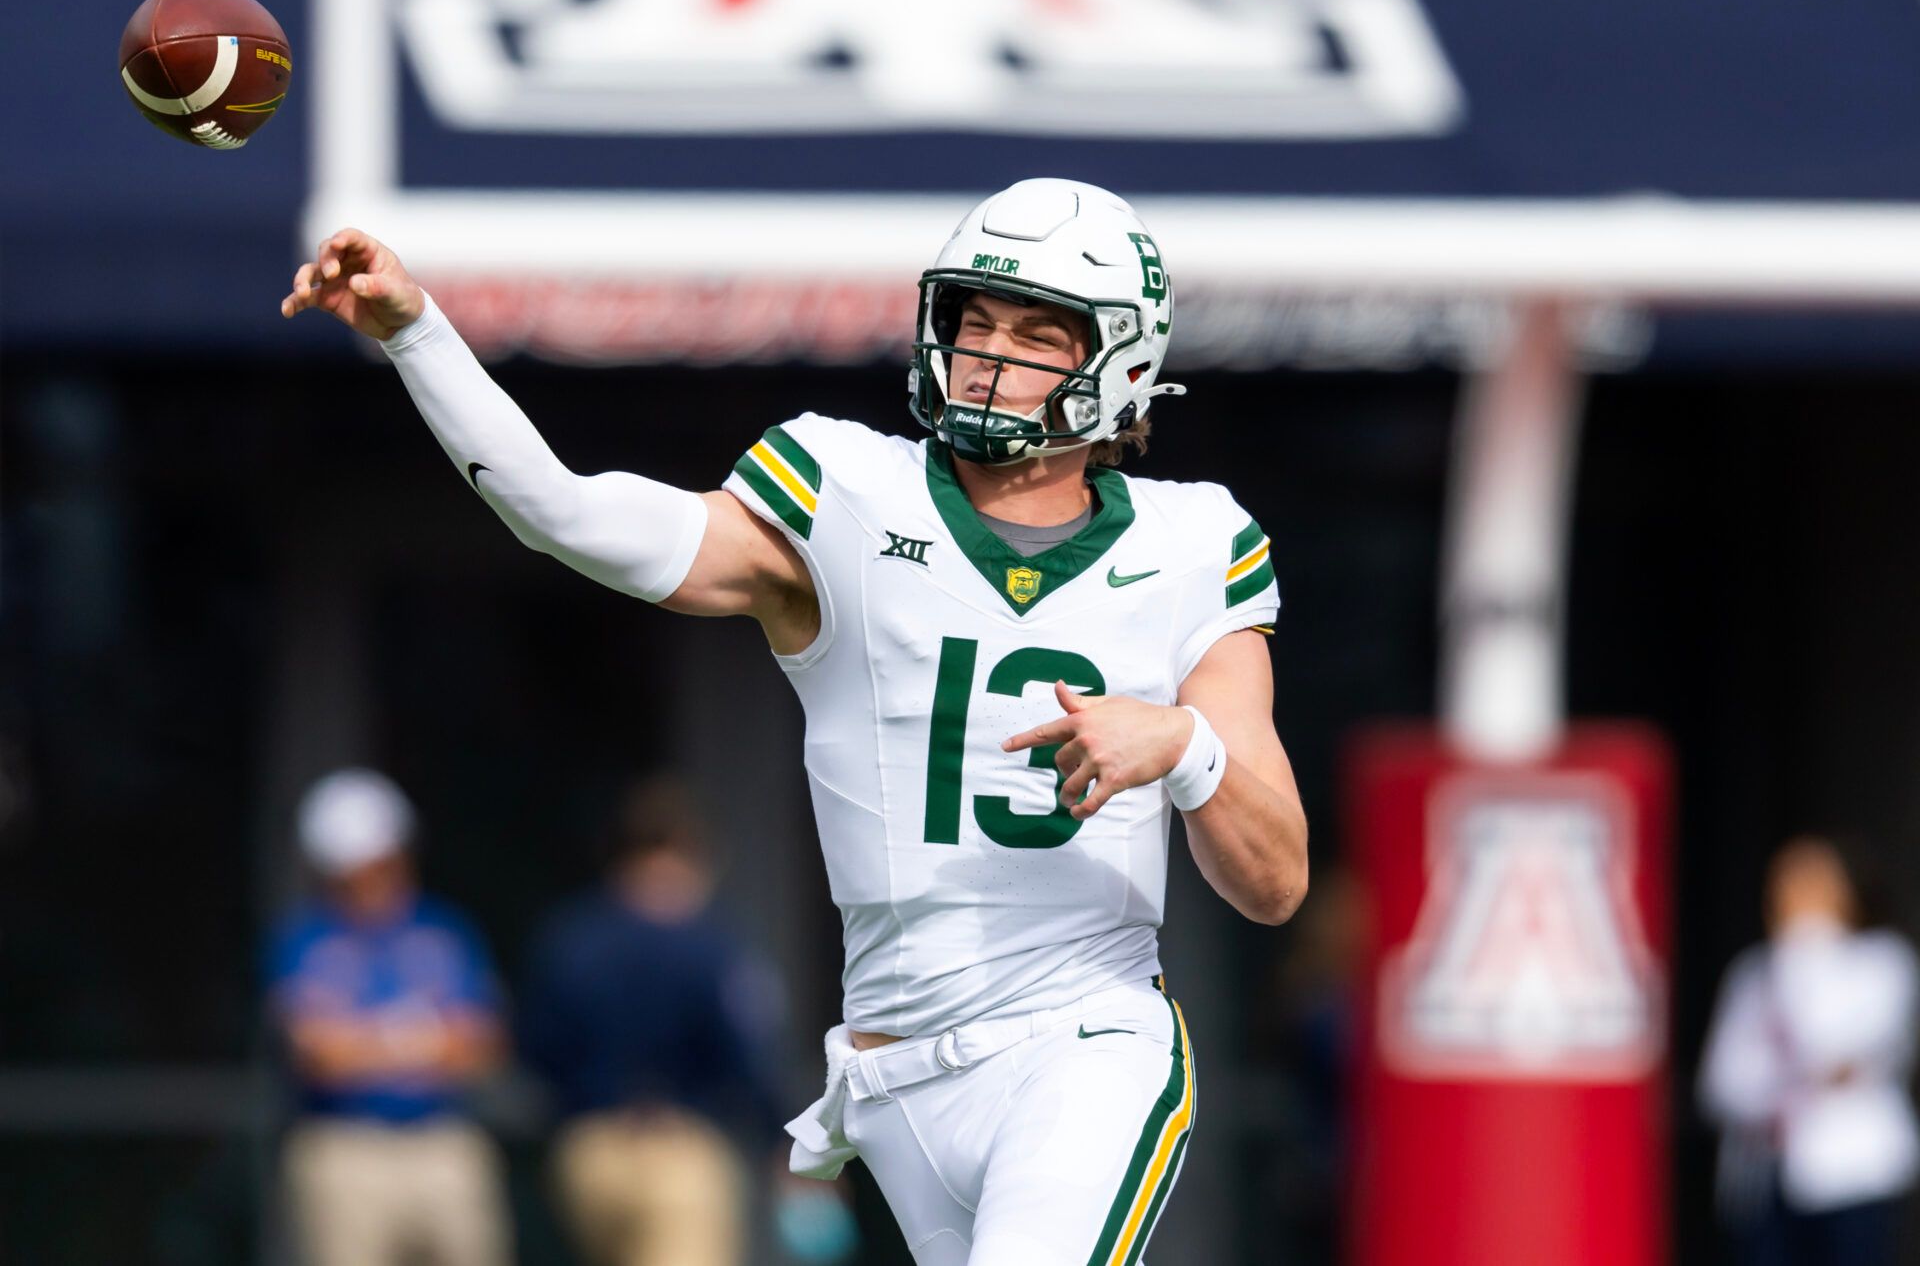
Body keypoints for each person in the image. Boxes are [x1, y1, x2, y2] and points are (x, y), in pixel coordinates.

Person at [281, 177, 1310, 1265]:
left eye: (1039, 332)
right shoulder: (847, 493)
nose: (990, 354)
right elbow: (566, 512)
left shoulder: (1196, 542)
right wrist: (418, 334)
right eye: (975, 319)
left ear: (1124, 363)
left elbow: (1274, 877)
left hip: (1085, 1044)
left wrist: (1185, 746)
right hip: (897, 1077)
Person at [519, 774, 820, 1266]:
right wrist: (791, 1148)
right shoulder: (711, 943)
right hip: (681, 1152)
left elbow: (536, 1051)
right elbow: (753, 1056)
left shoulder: (570, 937)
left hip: (587, 1153)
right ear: (692, 848)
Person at [268, 768, 513, 1266]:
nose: (370, 876)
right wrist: (422, 1038)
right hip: (345, 1148)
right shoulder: (305, 939)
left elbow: (481, 1045)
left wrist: (366, 1041)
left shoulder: (445, 931)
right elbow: (319, 1055)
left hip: (442, 1143)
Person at [1699, 836, 1919, 1266]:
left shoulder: (1882, 963)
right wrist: (1771, 1094)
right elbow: (1721, 1082)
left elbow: (1830, 1049)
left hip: (1850, 1176)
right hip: (1763, 1178)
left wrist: (1804, 948)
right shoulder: (1753, 971)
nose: (1795, 895)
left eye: (1812, 882)